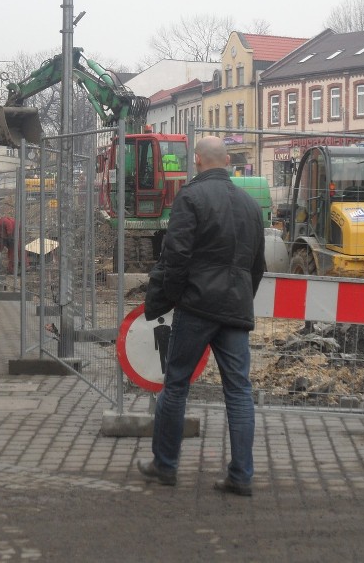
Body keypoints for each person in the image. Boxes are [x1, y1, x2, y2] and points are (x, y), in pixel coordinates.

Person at [138, 136, 266, 496]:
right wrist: (242, 298)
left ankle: (165, 466)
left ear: (197, 161)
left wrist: (176, 296)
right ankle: (241, 476)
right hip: (235, 308)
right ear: (226, 161)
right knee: (239, 390)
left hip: (196, 306)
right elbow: (257, 265)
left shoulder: (190, 198)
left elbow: (175, 256)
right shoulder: (250, 205)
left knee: (177, 383)